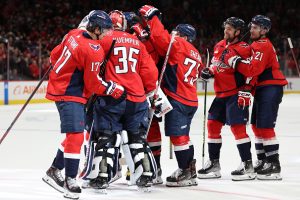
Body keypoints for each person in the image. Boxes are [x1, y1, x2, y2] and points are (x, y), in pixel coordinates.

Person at [42, 10, 126, 199]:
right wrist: (112, 88)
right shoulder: (93, 50)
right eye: (104, 30)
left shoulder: (73, 34)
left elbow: (54, 56)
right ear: (95, 28)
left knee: (74, 136)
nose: (107, 34)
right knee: (76, 136)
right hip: (70, 93)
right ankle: (69, 180)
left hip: (60, 88)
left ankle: (55, 169)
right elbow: (93, 84)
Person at [86, 9, 159, 191]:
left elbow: (91, 60)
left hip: (112, 96)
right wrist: (149, 91)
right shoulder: (137, 42)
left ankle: (101, 176)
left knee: (107, 137)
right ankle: (147, 174)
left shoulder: (103, 39)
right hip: (136, 97)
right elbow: (150, 72)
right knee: (137, 137)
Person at [138, 5, 203, 187]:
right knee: (184, 136)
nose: (173, 34)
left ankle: (184, 171)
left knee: (178, 137)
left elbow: (160, 38)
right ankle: (190, 171)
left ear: (183, 36)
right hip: (190, 99)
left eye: (176, 32)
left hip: (178, 98)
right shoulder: (196, 53)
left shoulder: (179, 45)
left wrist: (153, 18)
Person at [223, 15, 288, 180]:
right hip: (262, 88)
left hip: (270, 87)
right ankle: (262, 160)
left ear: (264, 30)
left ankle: (274, 165)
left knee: (265, 127)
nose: (251, 30)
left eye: (255, 28)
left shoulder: (262, 45)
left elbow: (253, 70)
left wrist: (235, 61)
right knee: (256, 126)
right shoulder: (256, 45)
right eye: (251, 27)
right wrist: (247, 88)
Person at [197, 17, 256, 181]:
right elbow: (216, 65)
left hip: (235, 94)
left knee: (238, 129)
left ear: (238, 32)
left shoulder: (244, 48)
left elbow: (252, 72)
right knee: (212, 125)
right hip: (220, 94)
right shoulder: (219, 45)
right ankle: (214, 164)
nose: (226, 31)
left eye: (230, 29)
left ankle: (248, 165)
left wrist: (246, 90)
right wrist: (208, 71)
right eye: (226, 28)